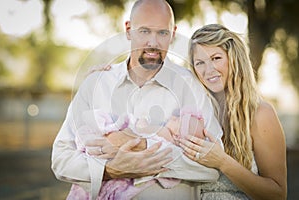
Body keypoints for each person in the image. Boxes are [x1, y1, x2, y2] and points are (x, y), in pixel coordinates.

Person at [51, 1, 223, 200]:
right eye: (144, 31)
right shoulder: (96, 84)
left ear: (173, 34)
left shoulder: (191, 87)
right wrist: (110, 170)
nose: (153, 43)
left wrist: (144, 148)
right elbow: (61, 158)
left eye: (162, 33)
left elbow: (212, 165)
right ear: (128, 30)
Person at [178, 24, 287, 199]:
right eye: (200, 63)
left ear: (234, 58)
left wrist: (222, 162)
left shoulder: (260, 114)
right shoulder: (194, 112)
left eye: (216, 58)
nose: (208, 70)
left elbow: (277, 194)